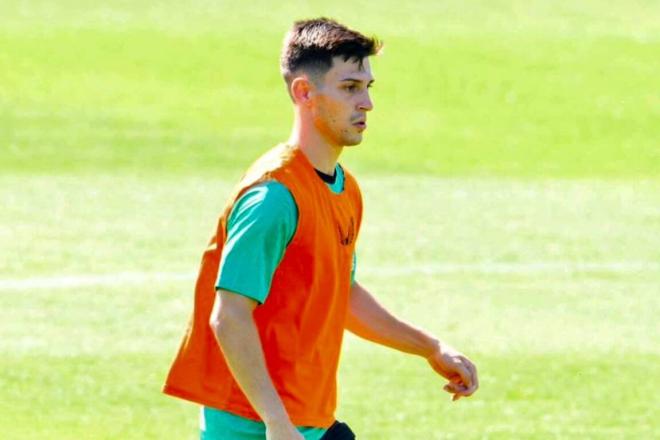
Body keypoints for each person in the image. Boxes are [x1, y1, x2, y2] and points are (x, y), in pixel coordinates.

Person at [163, 17, 479, 440]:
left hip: (307, 419)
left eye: (368, 87)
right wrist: (277, 422)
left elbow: (340, 294)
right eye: (350, 88)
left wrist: (430, 348)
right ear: (304, 92)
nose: (366, 103)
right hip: (253, 426)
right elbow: (230, 316)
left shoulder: (343, 189)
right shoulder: (274, 198)